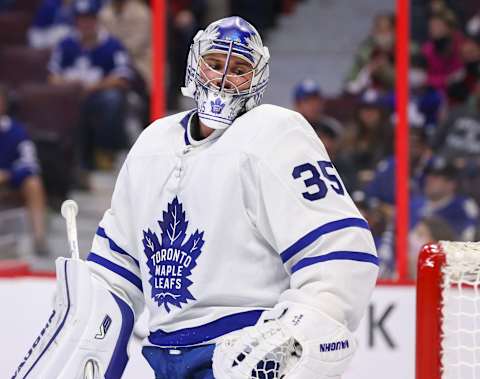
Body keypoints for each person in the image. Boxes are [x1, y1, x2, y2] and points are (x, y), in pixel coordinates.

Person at [14, 17, 378, 379]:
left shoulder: (275, 133)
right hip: (165, 359)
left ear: (257, 79)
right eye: (215, 64)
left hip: (242, 357)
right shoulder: (152, 144)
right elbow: (115, 275)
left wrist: (295, 335)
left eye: (238, 69)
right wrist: (79, 329)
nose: (222, 79)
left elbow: (342, 251)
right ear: (195, 64)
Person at [48, 0, 132, 174]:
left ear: (97, 20)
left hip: (97, 95)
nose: (85, 24)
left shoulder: (111, 45)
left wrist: (93, 87)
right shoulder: (65, 44)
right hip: (70, 96)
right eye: (81, 19)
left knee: (112, 99)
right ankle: (70, 160)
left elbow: (122, 78)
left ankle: (105, 151)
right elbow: (52, 77)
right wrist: (70, 86)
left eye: (89, 19)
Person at [0, 85, 49, 257]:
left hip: (9, 180)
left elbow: (30, 163)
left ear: (4, 104)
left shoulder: (17, 131)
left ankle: (39, 238)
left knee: (34, 183)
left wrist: (8, 175)